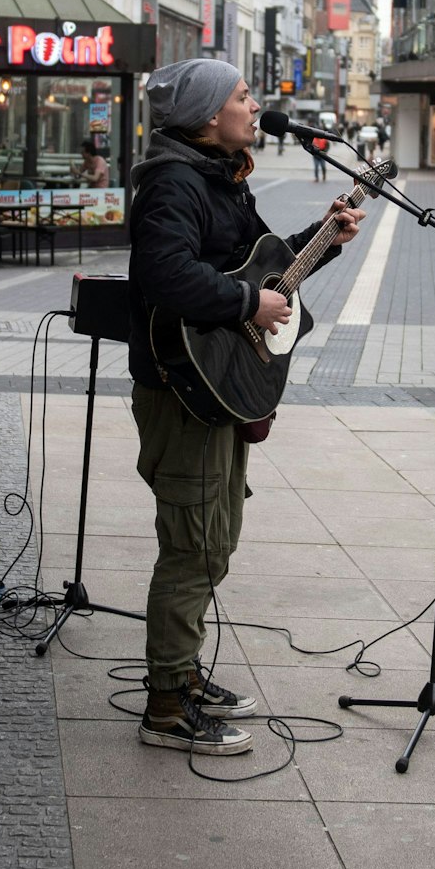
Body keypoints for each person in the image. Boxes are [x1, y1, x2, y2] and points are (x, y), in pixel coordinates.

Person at [126, 58, 364, 756]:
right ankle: (166, 705)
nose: (254, 104)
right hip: (181, 393)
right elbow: (166, 274)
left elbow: (265, 273)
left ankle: (183, 671)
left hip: (217, 387)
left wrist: (321, 242)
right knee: (192, 545)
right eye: (240, 95)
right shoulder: (173, 182)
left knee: (215, 538)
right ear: (206, 115)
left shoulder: (219, 178)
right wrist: (243, 303)